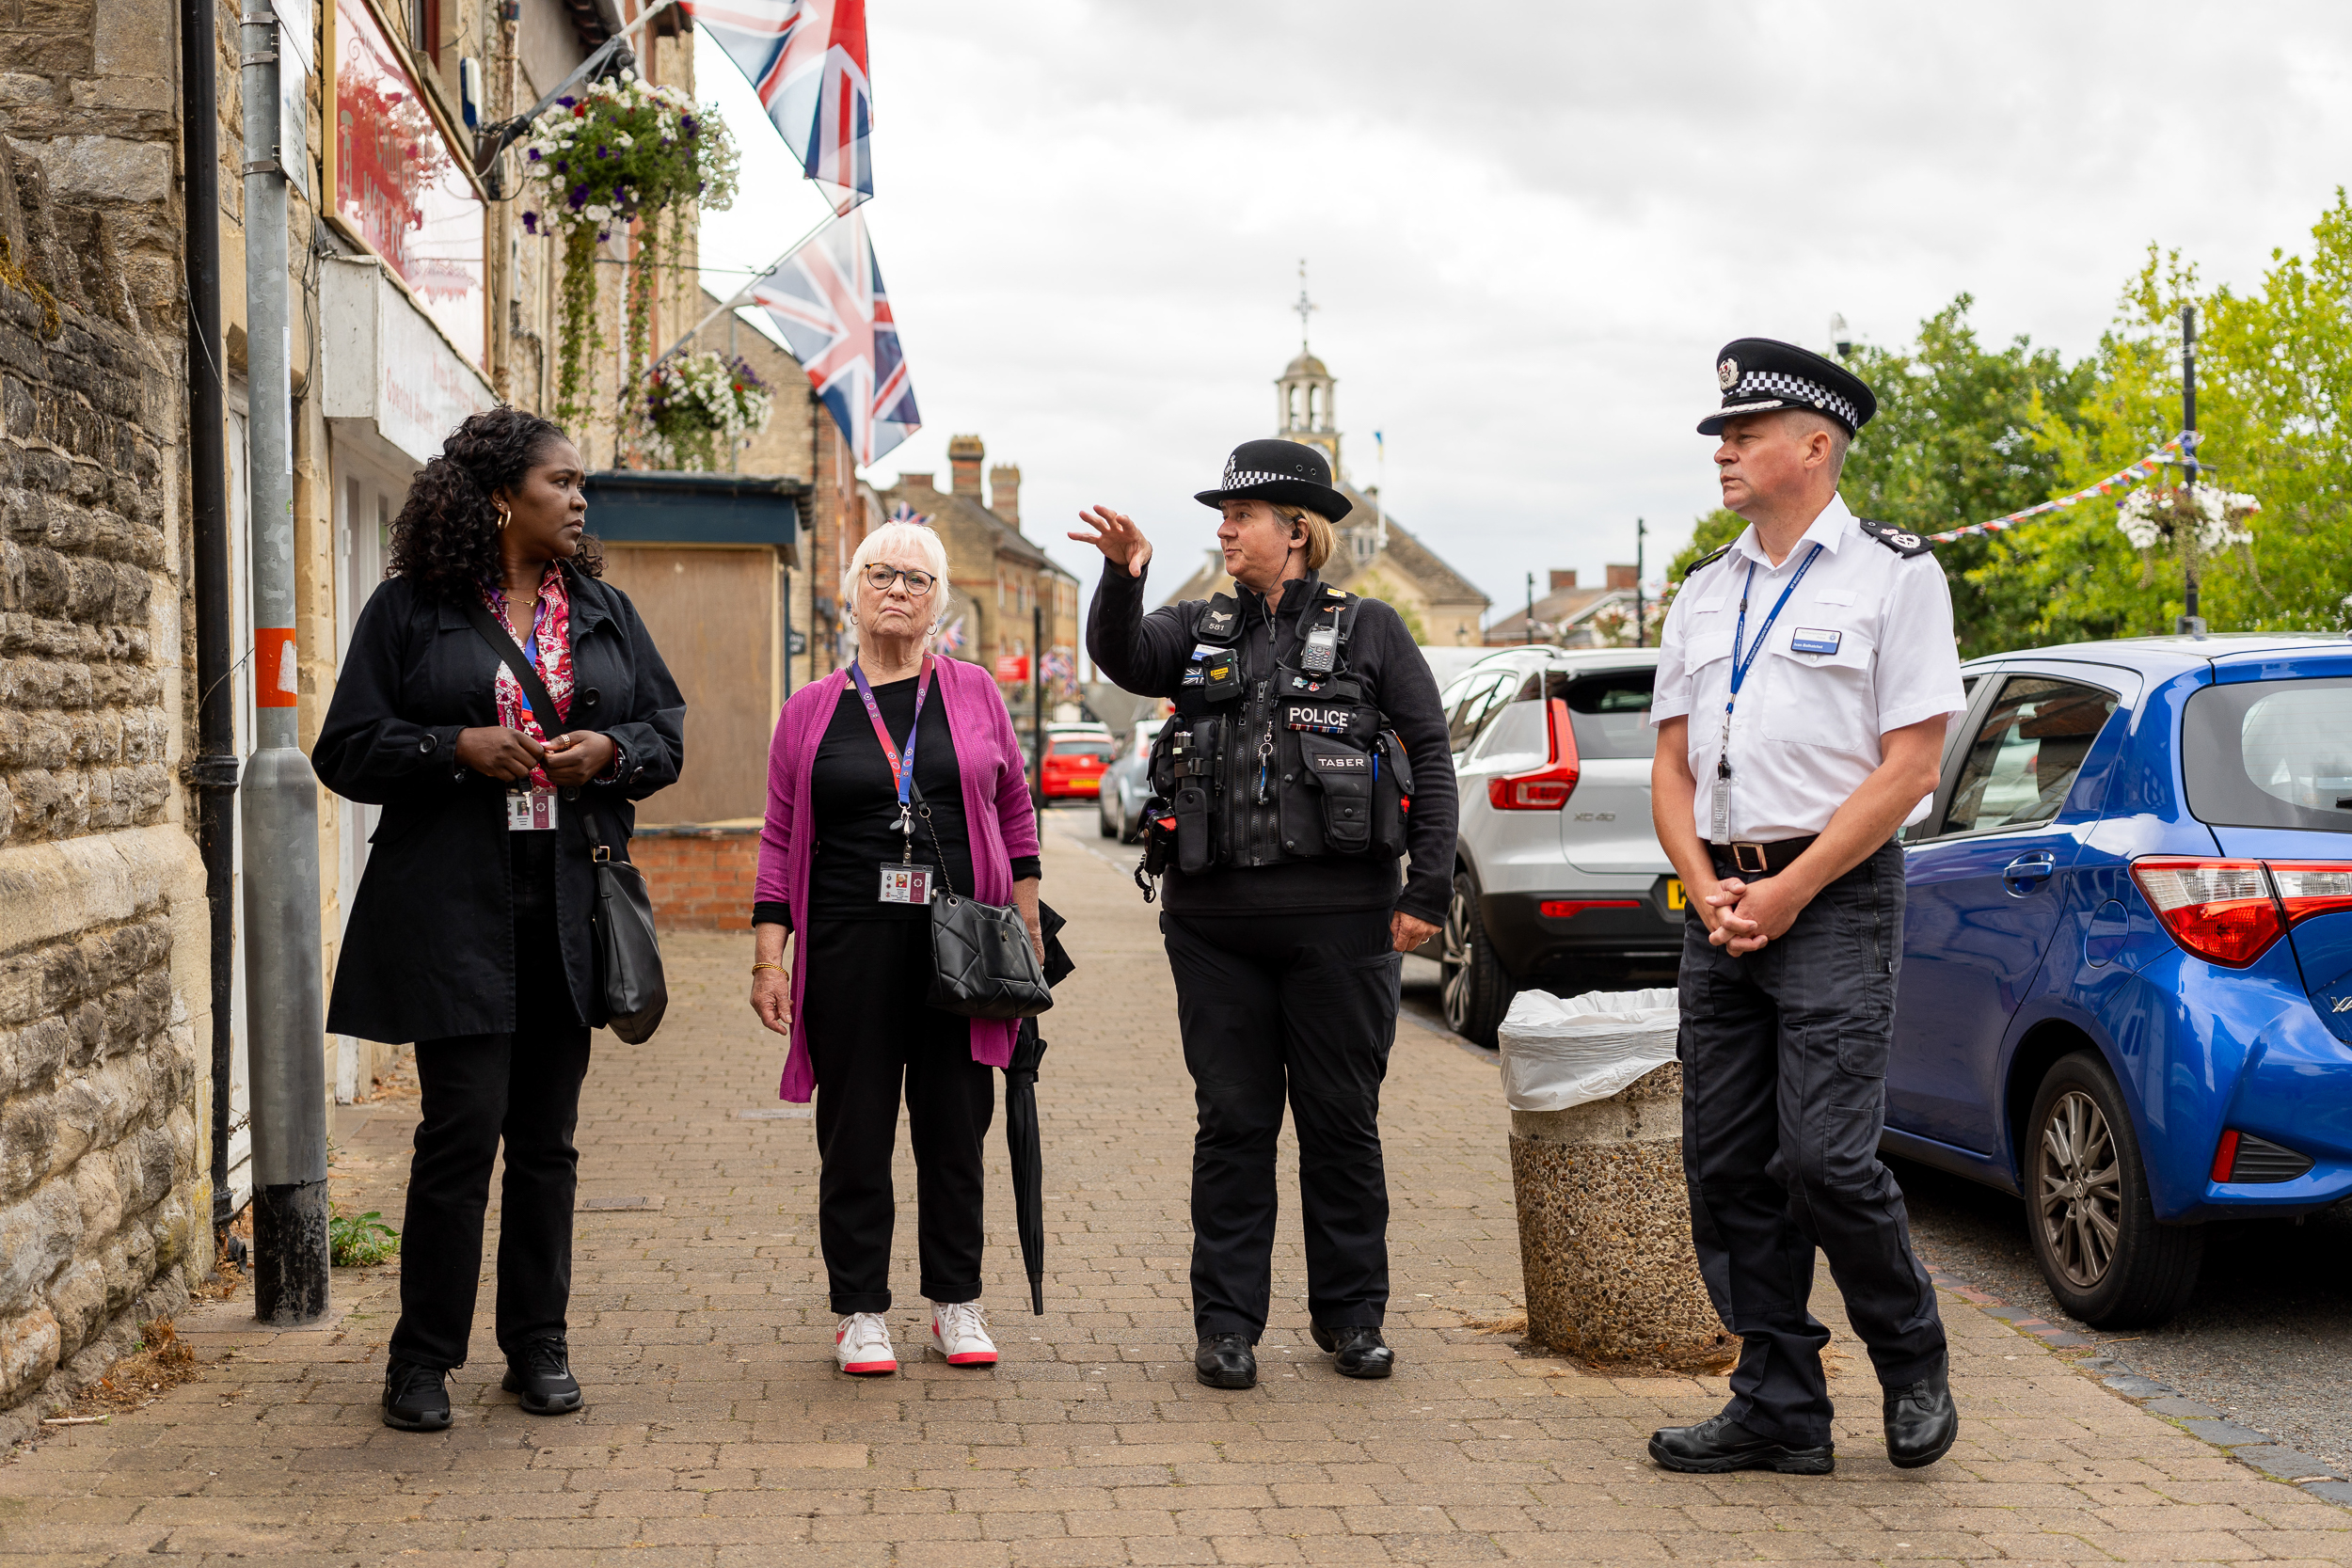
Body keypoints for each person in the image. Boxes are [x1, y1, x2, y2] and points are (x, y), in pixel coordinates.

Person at [314, 407, 686, 1433]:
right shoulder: (409, 611)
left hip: (569, 900)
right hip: (454, 908)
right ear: (498, 496)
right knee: (458, 1131)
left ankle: (538, 1346)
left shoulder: (604, 610)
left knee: (548, 1140)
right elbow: (345, 749)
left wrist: (610, 754)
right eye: (561, 481)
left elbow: (665, 731)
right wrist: (452, 749)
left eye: (582, 486)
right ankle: (423, 1358)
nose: (578, 499)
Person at [1071, 438, 1457, 1391]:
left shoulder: (1371, 630)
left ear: (1294, 530)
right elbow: (1119, 656)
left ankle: (1352, 1317)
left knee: (1340, 1124)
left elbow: (1432, 756)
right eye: (1222, 516)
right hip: (1214, 928)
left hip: (1342, 923)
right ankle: (1228, 1324)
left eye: (1238, 516)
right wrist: (1123, 577)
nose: (1223, 529)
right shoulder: (1197, 624)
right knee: (1233, 1123)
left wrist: (1426, 890)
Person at [1645, 340, 1967, 1476]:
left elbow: (1911, 764)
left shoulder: (1892, 575)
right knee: (1724, 1164)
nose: (1723, 450)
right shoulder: (1701, 589)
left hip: (1830, 894)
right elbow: (1671, 766)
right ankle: (1777, 1401)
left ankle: (1910, 1350)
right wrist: (1706, 885)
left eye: (1744, 432)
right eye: (1721, 435)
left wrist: (1789, 889)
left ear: (1815, 445)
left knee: (1823, 1159)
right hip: (1721, 895)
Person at [748, 519, 1044, 1377]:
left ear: (939, 603)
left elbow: (1017, 814)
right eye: (882, 575)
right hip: (846, 942)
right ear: (852, 591)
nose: (899, 591)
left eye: (917, 581)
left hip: (959, 946)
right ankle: (860, 1310)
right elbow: (778, 837)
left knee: (957, 1127)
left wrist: (1024, 927)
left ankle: (957, 1300)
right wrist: (771, 958)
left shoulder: (976, 692)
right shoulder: (810, 710)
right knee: (855, 1132)